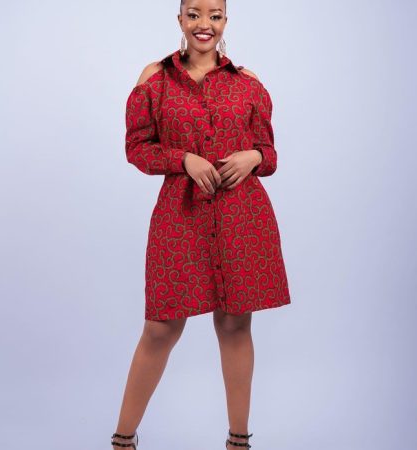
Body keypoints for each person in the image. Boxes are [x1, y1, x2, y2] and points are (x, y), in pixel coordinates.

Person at [112, 0, 291, 448]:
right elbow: (137, 148)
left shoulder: (248, 83)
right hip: (180, 216)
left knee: (235, 326)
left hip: (241, 217)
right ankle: (123, 439)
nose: (204, 24)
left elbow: (270, 153)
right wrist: (184, 159)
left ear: (225, 21)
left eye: (214, 15)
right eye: (194, 14)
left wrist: (253, 156)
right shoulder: (155, 80)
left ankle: (238, 440)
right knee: (160, 328)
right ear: (180, 20)